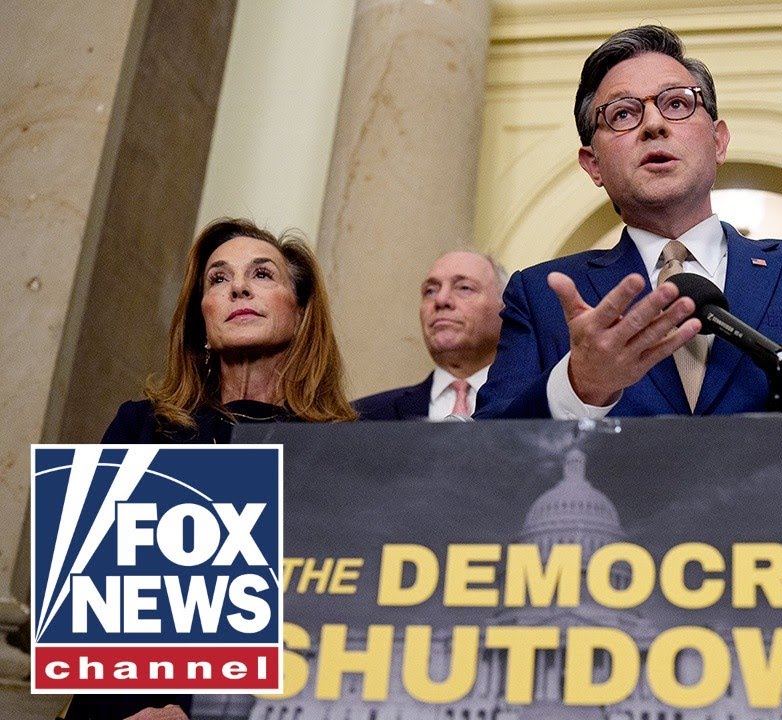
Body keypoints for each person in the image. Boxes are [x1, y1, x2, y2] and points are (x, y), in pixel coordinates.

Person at [475, 25, 782, 419]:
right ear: (594, 165)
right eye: (623, 114)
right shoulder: (539, 297)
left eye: (677, 103)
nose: (654, 124)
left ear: (718, 141)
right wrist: (579, 386)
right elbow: (489, 460)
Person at [67, 218, 356, 720]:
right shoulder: (141, 428)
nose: (239, 286)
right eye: (218, 279)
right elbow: (95, 600)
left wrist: (197, 709)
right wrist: (148, 706)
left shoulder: (344, 450)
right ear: (202, 318)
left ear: (302, 312)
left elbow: (345, 618)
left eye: (262, 274)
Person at [354, 251, 506, 420]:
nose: (441, 300)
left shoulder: (535, 407)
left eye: (464, 288)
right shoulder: (360, 418)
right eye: (430, 291)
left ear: (505, 309)